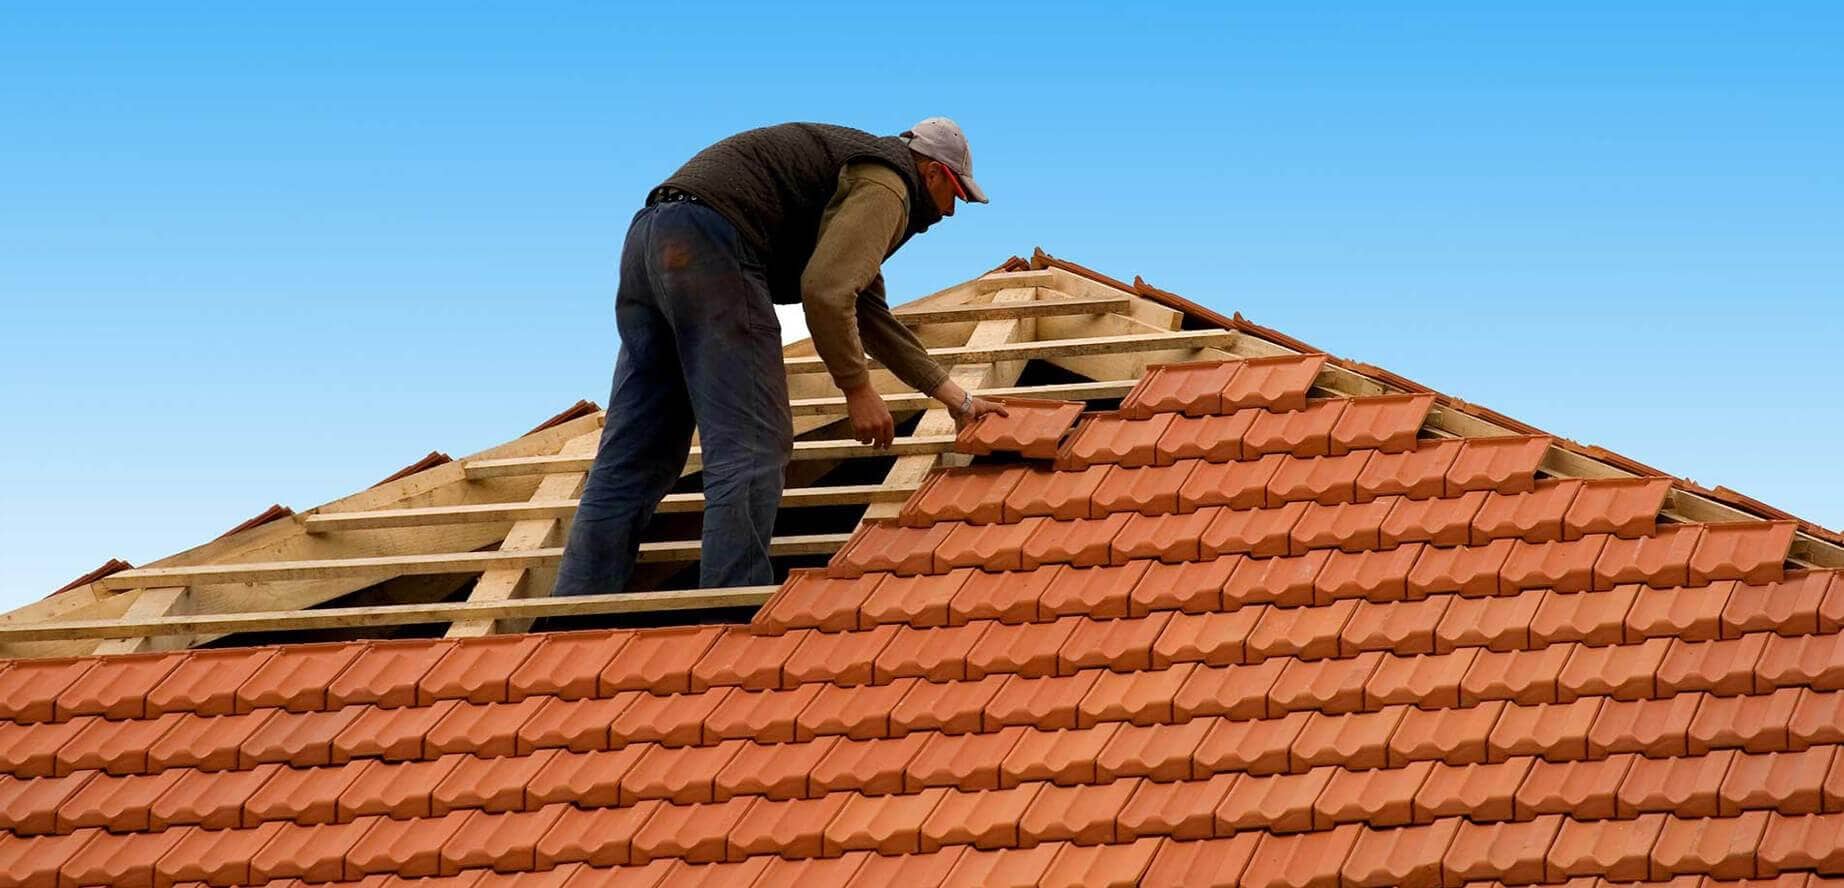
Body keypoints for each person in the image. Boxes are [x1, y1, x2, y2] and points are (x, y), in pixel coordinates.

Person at [553, 118, 1009, 597]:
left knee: (635, 453)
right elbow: (827, 293)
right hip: (716, 245)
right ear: (933, 173)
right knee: (752, 444)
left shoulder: (853, 177)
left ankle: (572, 610)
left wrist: (957, 400)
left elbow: (866, 309)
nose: (950, 214)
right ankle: (726, 611)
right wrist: (857, 389)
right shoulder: (889, 184)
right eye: (955, 195)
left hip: (652, 237)